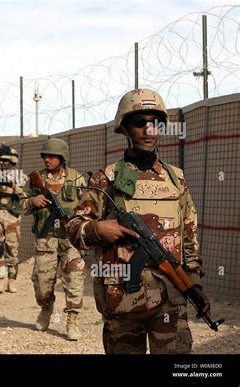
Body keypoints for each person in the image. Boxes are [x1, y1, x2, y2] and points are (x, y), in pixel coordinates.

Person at [67, 88, 209, 354]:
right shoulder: (106, 179)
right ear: (125, 128)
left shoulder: (175, 178)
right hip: (123, 300)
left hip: (171, 297)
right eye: (139, 122)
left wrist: (194, 283)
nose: (148, 130)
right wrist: (98, 228)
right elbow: (74, 228)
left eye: (155, 123)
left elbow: (189, 234)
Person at [21, 138, 86, 341]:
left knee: (74, 281)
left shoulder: (76, 179)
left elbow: (90, 205)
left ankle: (72, 321)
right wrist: (31, 200)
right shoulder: (35, 179)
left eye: (52, 156)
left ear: (62, 157)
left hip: (70, 240)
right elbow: (19, 205)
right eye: (45, 156)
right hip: (45, 240)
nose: (47, 159)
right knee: (42, 285)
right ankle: (46, 308)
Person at [0, 145, 28, 294]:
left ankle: (12, 280)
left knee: (12, 249)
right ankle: (0, 279)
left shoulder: (21, 176)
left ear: (13, 160)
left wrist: (12, 184)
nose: (1, 162)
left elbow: (23, 195)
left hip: (12, 217)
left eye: (5, 160)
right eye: (0, 160)